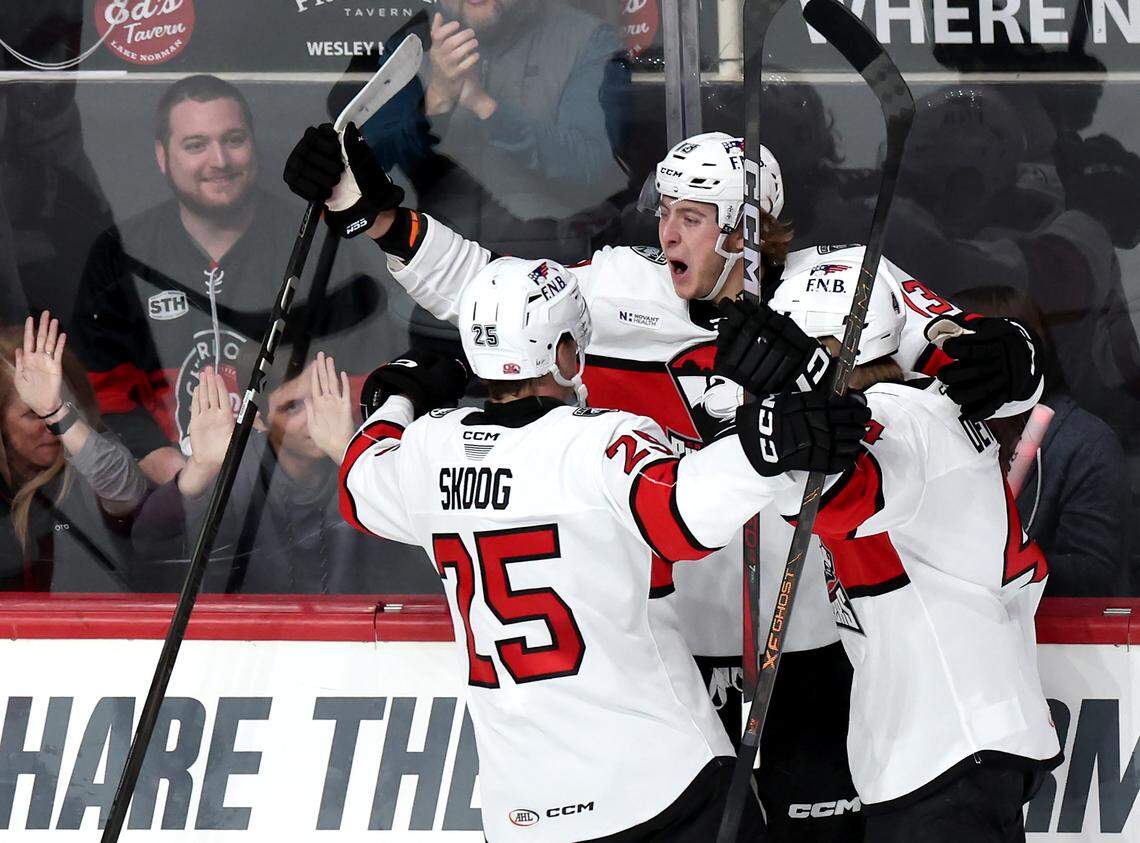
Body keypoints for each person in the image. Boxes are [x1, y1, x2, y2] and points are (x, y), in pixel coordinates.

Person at [282, 123, 1045, 841]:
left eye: (690, 216)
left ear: (746, 227)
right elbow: (490, 292)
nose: (666, 234)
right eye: (666, 212)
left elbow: (967, 358)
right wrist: (373, 214)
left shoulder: (844, 287)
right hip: (686, 652)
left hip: (814, 640)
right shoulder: (621, 287)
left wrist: (1010, 360)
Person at [309, 255, 870, 842]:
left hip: (521, 809)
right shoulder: (599, 442)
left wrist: (401, 395)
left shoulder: (428, 452)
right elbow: (681, 518)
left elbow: (361, 479)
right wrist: (764, 445)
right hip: (658, 787)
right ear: (564, 355)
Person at [754, 259, 1061, 843]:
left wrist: (767, 435)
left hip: (947, 756)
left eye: (796, 354)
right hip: (960, 749)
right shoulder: (924, 410)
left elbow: (836, 495)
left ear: (829, 351)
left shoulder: (898, 421)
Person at [73, 74, 390, 488]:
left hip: (295, 495)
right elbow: (107, 394)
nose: (219, 160)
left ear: (254, 144)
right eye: (196, 145)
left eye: (234, 139)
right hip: (172, 500)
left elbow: (367, 371)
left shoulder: (311, 240)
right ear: (162, 155)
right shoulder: (123, 252)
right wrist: (184, 483)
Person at [130, 351, 438, 595]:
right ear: (261, 420)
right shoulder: (238, 465)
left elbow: (428, 559)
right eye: (292, 408)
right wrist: (199, 470)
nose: (312, 418)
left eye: (322, 397)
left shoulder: (374, 456)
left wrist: (347, 451)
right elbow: (149, 549)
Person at [353, 0, 631, 262]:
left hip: (551, 273)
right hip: (434, 266)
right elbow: (373, 172)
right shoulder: (410, 48)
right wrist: (437, 99)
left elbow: (591, 166)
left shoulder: (586, 39)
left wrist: (485, 106)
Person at [953, 284, 1132, 597]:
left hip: (1054, 638)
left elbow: (1093, 573)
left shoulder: (1084, 444)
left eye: (963, 355)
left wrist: (989, 569)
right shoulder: (944, 431)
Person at [0, 311, 149, 591]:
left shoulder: (87, 461)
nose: (50, 427)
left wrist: (55, 412)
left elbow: (126, 490)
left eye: (64, 408)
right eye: (34, 414)